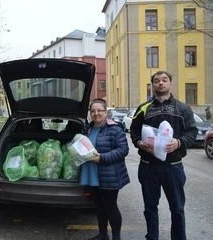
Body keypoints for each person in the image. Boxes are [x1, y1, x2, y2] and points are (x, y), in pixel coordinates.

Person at [130, 71, 198, 240]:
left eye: (164, 80)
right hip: (148, 166)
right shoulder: (143, 108)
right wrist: (139, 143)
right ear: (152, 85)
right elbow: (134, 131)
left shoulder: (182, 108)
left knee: (177, 209)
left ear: (170, 84)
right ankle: (152, 237)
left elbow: (192, 131)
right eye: (156, 80)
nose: (161, 83)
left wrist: (179, 142)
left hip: (173, 167)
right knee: (150, 207)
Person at [84, 98, 130, 240]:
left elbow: (123, 150)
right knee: (99, 207)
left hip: (109, 175)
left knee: (110, 207)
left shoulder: (115, 128)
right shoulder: (89, 128)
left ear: (106, 112)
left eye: (99, 110)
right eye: (93, 111)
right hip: (93, 174)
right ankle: (103, 235)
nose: (96, 113)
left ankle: (116, 237)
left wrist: (102, 157)